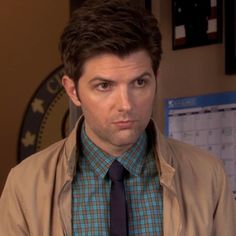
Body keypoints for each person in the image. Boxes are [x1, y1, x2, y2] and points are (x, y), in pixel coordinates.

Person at [0, 0, 235, 235]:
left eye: (140, 82)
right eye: (104, 85)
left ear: (156, 79)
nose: (126, 104)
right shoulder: (24, 186)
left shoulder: (208, 175)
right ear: (73, 91)